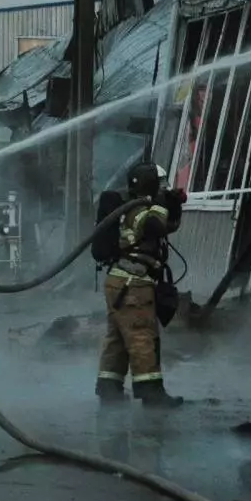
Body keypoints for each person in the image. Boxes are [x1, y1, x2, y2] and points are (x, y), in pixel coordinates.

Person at [95, 161, 186, 408]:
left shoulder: (134, 207)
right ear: (151, 184)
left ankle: (109, 389)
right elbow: (155, 226)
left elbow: (168, 227)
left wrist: (174, 205)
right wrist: (161, 203)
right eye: (160, 184)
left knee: (117, 339)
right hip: (132, 285)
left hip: (120, 282)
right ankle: (151, 393)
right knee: (142, 336)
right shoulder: (140, 210)